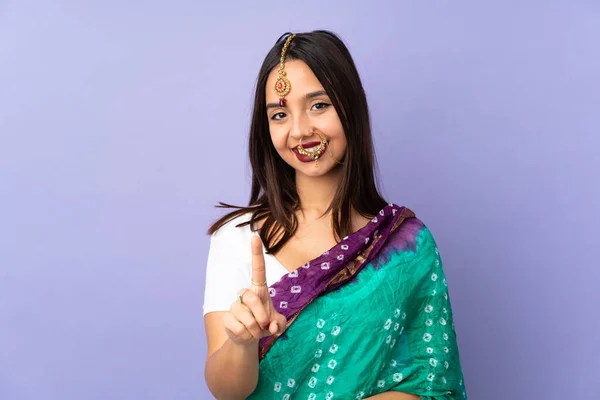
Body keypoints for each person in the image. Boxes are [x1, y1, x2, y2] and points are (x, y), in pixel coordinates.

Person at [203, 30, 467, 400]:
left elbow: (433, 382)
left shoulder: (406, 246)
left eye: (318, 105)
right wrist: (241, 341)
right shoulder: (237, 236)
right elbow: (226, 392)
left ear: (350, 107)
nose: (300, 131)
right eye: (279, 114)